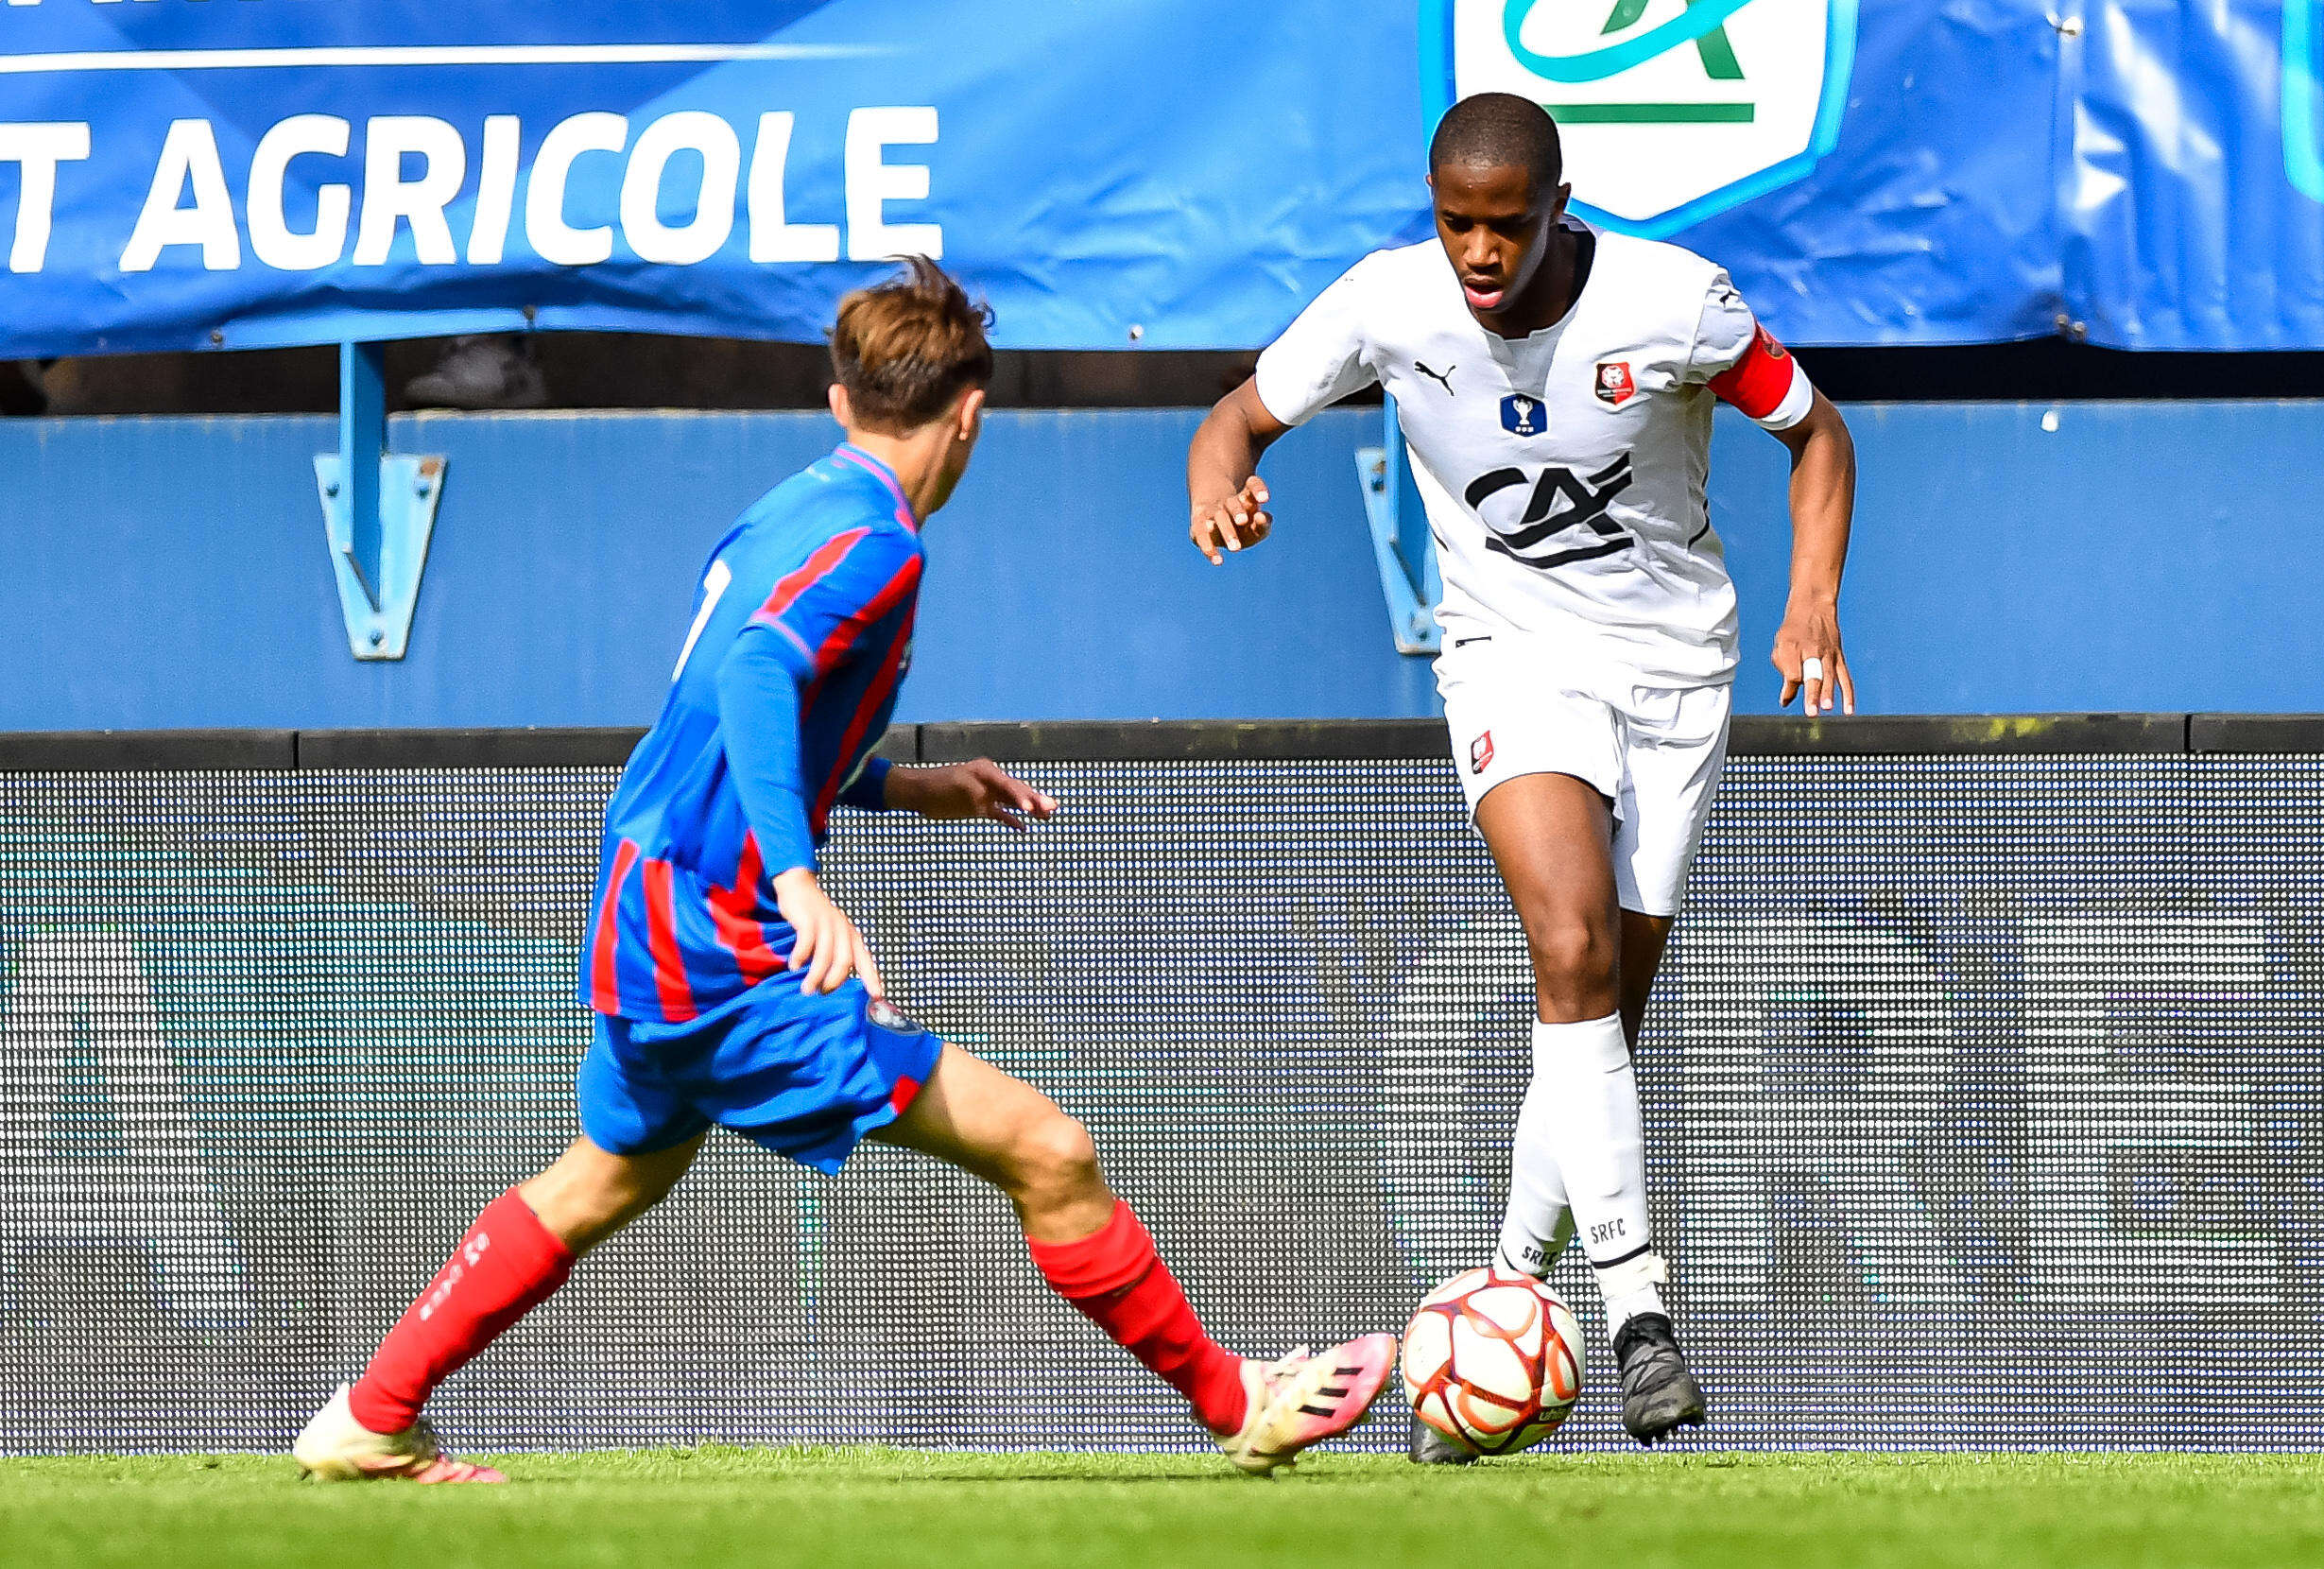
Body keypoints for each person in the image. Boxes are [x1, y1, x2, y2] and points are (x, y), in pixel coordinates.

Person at [294, 258, 1394, 1484]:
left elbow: (736, 705)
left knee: (600, 1179)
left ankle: (373, 1414)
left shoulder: (794, 505)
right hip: (714, 935)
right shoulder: (878, 547)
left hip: (639, 898)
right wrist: (798, 877)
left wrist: (904, 783)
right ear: (970, 414)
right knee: (1049, 1148)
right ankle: (1235, 1399)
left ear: (839, 403)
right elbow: (760, 673)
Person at [1184, 93, 1858, 1455]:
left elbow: (1817, 434)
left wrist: (1812, 602)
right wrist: (1221, 484)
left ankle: (1505, 1293)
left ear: (1560, 206)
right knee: (1566, 944)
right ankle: (1638, 1317)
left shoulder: (1675, 304)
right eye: (1455, 224)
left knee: (1602, 1009)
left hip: (1675, 666)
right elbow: (1233, 419)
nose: (1478, 253)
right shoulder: (1385, 304)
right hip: (1507, 655)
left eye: (1505, 223)